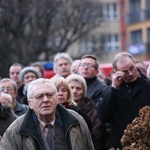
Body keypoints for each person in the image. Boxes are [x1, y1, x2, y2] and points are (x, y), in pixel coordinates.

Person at [0, 78, 94, 150]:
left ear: (56, 98)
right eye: (39, 96)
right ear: (30, 103)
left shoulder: (76, 120)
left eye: (49, 95)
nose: (45, 100)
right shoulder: (15, 130)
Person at [97, 52, 150, 149]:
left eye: (132, 68)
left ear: (135, 64)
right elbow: (103, 116)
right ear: (117, 72)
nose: (130, 73)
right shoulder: (110, 91)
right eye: (125, 71)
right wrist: (114, 89)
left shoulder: (148, 86)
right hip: (120, 144)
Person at [66, 74, 102, 150]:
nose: (74, 91)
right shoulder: (60, 108)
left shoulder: (91, 109)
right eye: (71, 87)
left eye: (78, 88)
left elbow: (95, 133)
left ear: (84, 91)